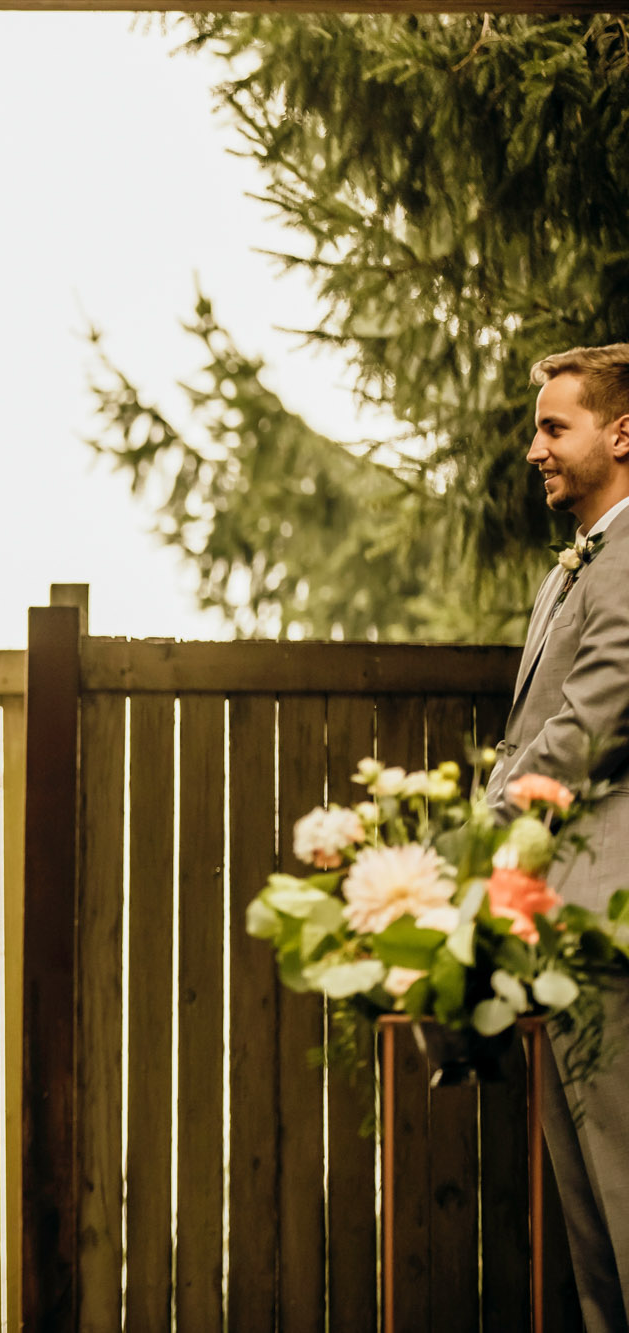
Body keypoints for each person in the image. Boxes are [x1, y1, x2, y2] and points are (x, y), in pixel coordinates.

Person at [488, 343, 629, 1332]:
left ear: (621, 433)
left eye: (552, 425)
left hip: (611, 925)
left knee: (623, 1200)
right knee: (589, 1228)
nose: (532, 447)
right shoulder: (573, 567)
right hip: (560, 920)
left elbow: (586, 723)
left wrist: (468, 849)